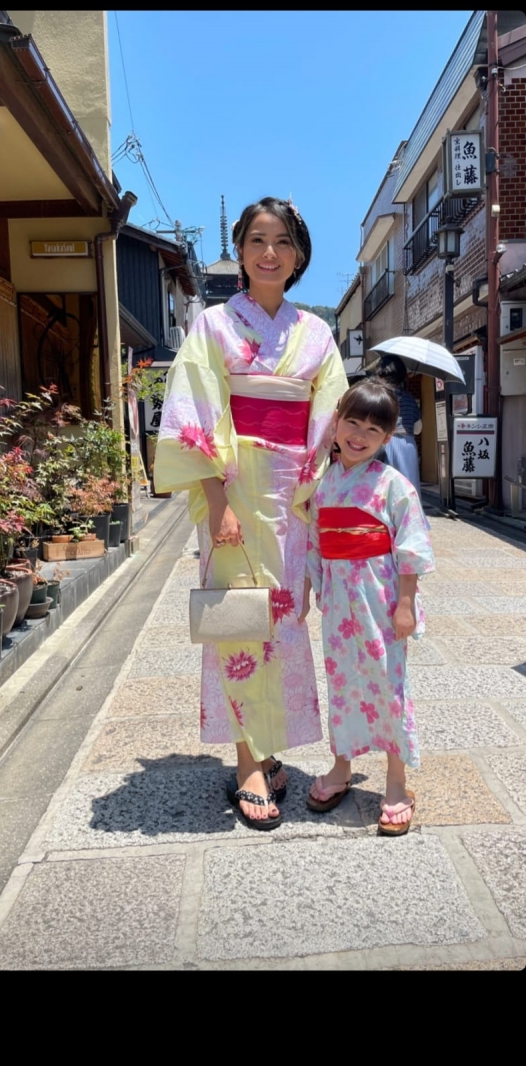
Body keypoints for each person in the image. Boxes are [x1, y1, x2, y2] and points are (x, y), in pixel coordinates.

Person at [153, 196, 348, 830]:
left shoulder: (316, 333)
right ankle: (246, 766)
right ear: (239, 251)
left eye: (283, 241)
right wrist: (215, 503)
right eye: (258, 240)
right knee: (240, 625)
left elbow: (330, 421)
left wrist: (319, 495)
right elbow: (196, 413)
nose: (271, 252)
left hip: (292, 496)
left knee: (286, 627)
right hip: (234, 494)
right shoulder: (212, 326)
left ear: (298, 255)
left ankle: (268, 749)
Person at [304, 378, 435, 835]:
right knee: (341, 684)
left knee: (388, 687)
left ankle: (397, 782)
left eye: (373, 431)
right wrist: (312, 590)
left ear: (387, 437)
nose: (359, 436)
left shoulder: (393, 486)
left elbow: (412, 548)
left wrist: (406, 604)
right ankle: (342, 766)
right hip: (340, 605)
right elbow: (316, 543)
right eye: (352, 423)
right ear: (336, 422)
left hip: (380, 601)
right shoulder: (324, 485)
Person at [372, 354, 423, 497]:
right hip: (407, 445)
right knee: (408, 485)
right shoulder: (409, 399)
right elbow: (418, 428)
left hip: (382, 442)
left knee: (382, 485)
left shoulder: (378, 397)